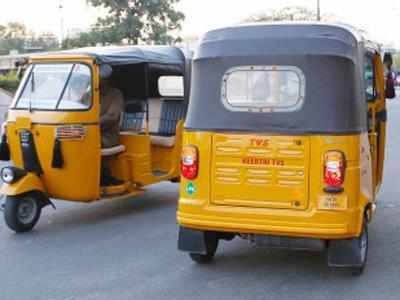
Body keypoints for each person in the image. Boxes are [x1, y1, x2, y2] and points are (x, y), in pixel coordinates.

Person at [99, 65, 124, 186]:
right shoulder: (89, 93)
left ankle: (104, 176)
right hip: (89, 132)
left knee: (91, 143)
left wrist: (93, 123)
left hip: (108, 135)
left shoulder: (115, 94)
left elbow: (112, 117)